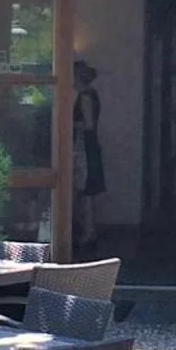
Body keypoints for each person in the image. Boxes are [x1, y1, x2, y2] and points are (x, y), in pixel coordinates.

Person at [72, 60, 105, 252]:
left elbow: (89, 125)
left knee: (85, 191)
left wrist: (69, 123)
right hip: (86, 146)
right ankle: (87, 229)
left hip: (84, 146)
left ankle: (88, 232)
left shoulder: (85, 97)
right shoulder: (88, 95)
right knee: (85, 191)